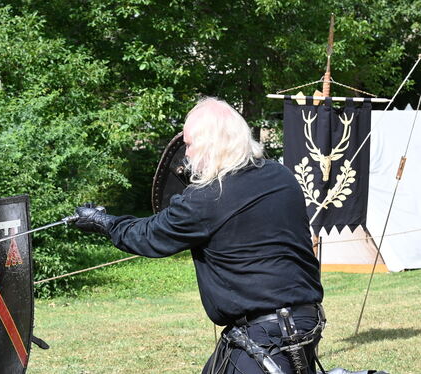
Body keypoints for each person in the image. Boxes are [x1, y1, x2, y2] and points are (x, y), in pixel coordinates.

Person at [73, 97, 325, 374]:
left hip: (265, 334)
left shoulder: (211, 196)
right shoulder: (280, 176)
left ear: (208, 144)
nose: (187, 155)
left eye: (190, 145)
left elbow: (149, 235)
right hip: (302, 321)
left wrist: (102, 222)